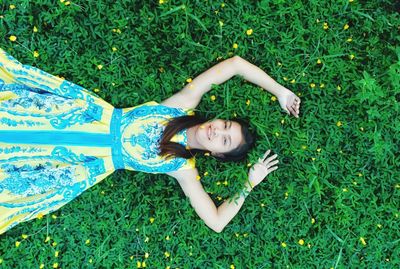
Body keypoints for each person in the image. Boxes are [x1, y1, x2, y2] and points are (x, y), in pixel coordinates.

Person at [0, 48, 301, 235]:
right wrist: (280, 91)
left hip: (86, 162)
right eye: (224, 125)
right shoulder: (182, 104)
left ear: (216, 154)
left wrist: (249, 184)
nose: (216, 131)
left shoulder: (183, 168)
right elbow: (235, 65)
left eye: (224, 140)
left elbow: (217, 222)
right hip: (89, 117)